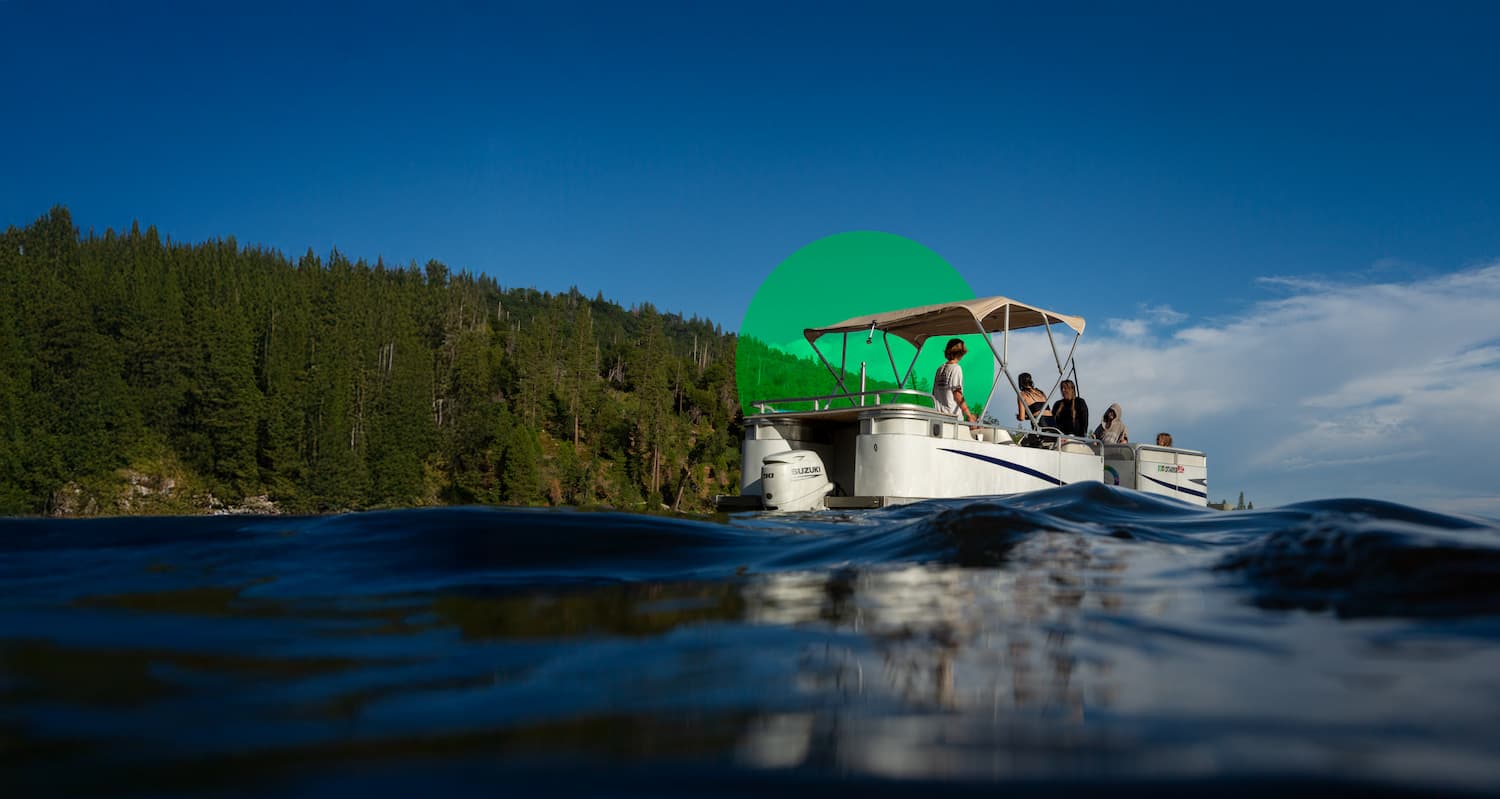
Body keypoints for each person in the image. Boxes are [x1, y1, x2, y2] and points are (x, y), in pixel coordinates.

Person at [932, 338, 976, 423]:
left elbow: (934, 393)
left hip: (939, 417)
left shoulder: (939, 369)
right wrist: (969, 415)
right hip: (952, 418)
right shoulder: (956, 368)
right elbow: (957, 394)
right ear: (960, 352)